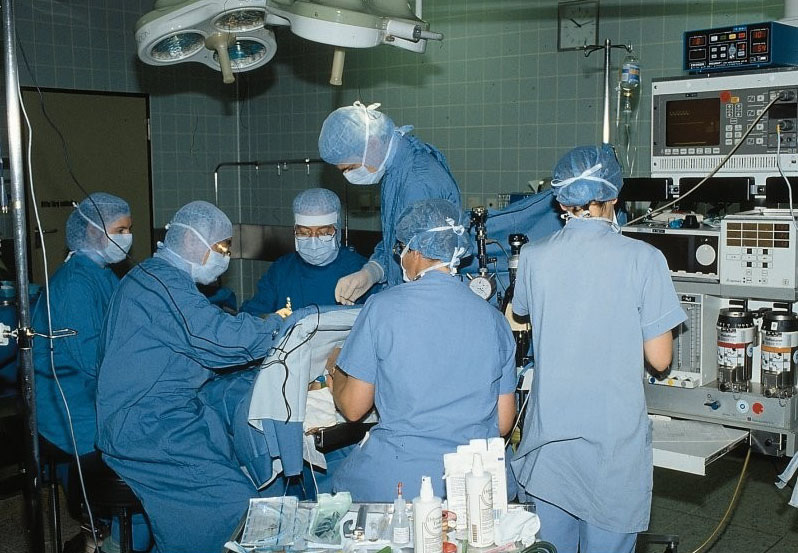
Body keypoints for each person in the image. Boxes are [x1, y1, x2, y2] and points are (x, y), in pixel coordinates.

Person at [510, 145, 686, 553]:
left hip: (550, 448)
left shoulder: (533, 256)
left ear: (561, 200)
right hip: (611, 452)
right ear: (614, 195)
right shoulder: (644, 259)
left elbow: (520, 313)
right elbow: (660, 360)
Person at [95, 201, 284, 553]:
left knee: (229, 457)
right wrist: (279, 327)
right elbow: (216, 338)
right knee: (237, 509)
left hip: (160, 415)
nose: (226, 257)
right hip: (147, 429)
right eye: (222, 248)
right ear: (193, 242)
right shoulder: (163, 284)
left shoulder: (152, 276)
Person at [329, 198, 517, 502]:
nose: (401, 258)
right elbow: (503, 423)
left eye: (401, 249)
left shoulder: (383, 308)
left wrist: (335, 371)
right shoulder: (494, 319)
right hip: (476, 488)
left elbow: (353, 408)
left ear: (415, 250)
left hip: (401, 483)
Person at [318, 101, 461, 304]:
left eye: (350, 168)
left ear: (373, 144)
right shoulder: (397, 169)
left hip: (423, 300)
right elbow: (397, 240)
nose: (349, 176)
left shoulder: (417, 183)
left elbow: (423, 264)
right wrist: (372, 271)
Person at [33, 192, 132, 456]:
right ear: (93, 231)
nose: (127, 237)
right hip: (69, 401)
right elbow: (90, 359)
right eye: (120, 230)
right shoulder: (75, 284)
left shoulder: (102, 273)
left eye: (128, 229)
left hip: (91, 387)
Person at [240, 188, 371, 316]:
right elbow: (253, 315)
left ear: (337, 231)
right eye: (304, 232)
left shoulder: (360, 271)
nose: (313, 242)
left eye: (323, 232)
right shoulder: (282, 270)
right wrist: (277, 321)